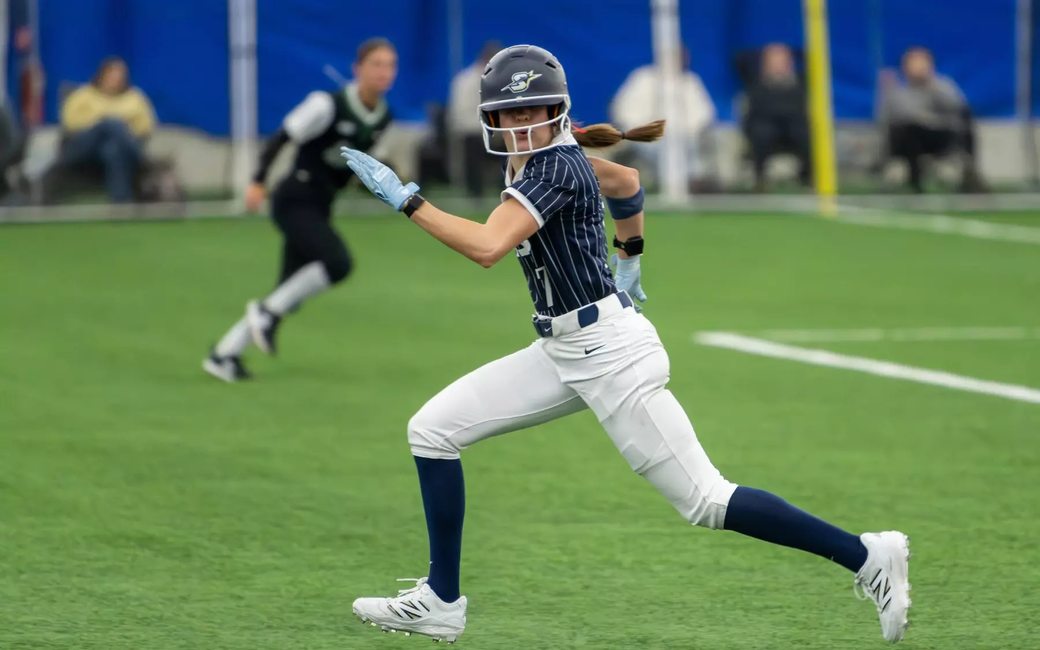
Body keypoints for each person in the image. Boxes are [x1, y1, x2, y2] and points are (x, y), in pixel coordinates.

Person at [341, 45, 910, 645]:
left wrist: (406, 199)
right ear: (490, 118)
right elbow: (627, 183)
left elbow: (488, 247)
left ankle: (868, 556)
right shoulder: (551, 157)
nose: (521, 124)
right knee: (432, 431)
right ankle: (441, 600)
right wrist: (629, 254)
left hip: (609, 354)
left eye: (534, 110)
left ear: (558, 109)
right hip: (564, 348)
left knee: (707, 500)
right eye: (509, 114)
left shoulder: (554, 165)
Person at [203, 38, 397, 382]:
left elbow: (355, 166)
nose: (384, 72)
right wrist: (258, 180)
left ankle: (224, 355)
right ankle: (265, 316)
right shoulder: (326, 104)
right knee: (338, 263)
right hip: (294, 199)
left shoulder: (384, 117)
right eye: (377, 64)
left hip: (321, 206)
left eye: (390, 65)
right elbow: (282, 137)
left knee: (287, 292)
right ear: (358, 69)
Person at [611, 45, 718, 192]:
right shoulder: (643, 77)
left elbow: (704, 113)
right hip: (646, 135)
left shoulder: (690, 81)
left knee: (685, 149)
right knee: (661, 150)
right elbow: (623, 109)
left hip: (684, 137)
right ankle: (674, 187)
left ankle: (687, 186)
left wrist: (686, 131)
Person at [881, 47, 986, 193]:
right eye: (912, 63)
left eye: (921, 63)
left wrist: (931, 85)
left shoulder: (942, 85)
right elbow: (896, 116)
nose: (917, 67)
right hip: (911, 137)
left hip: (940, 134)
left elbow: (958, 107)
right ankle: (915, 181)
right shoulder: (899, 90)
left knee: (965, 126)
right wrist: (888, 91)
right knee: (909, 130)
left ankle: (971, 177)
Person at [58, 57, 155, 202]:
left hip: (112, 151)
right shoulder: (84, 95)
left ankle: (121, 206)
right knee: (109, 123)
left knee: (113, 150)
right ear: (102, 75)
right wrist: (101, 122)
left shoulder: (135, 98)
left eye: (120, 76)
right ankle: (139, 157)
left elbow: (146, 126)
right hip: (81, 148)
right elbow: (69, 123)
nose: (116, 80)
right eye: (112, 75)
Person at [742, 43, 811, 191]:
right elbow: (739, 59)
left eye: (782, 60)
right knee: (761, 134)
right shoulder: (755, 80)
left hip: (793, 126)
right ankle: (759, 179)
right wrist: (767, 55)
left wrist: (793, 53)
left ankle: (807, 177)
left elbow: (813, 58)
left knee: (806, 134)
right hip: (765, 125)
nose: (778, 65)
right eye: (774, 61)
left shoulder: (800, 81)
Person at [447, 40, 501, 198]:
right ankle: (475, 192)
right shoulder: (466, 80)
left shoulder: (499, 80)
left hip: (494, 131)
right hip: (472, 132)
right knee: (474, 143)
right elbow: (461, 114)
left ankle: (510, 185)